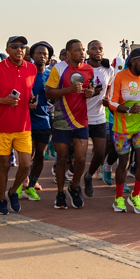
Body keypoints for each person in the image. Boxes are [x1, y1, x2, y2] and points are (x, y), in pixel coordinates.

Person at [0, 36, 37, 215]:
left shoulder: (31, 68)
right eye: (15, 46)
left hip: (23, 125)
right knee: (4, 166)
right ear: (7, 48)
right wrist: (3, 101)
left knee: (25, 165)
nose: (19, 49)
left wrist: (32, 102)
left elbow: (29, 93)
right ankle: (1, 199)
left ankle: (13, 192)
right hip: (2, 125)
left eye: (22, 46)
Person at [45, 39, 97, 210]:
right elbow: (49, 93)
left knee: (81, 159)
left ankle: (74, 187)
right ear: (68, 53)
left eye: (83, 50)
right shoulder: (58, 68)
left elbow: (89, 88)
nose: (82, 52)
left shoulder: (89, 69)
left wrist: (90, 92)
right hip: (62, 120)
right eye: (78, 50)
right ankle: (60, 192)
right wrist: (68, 90)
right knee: (62, 159)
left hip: (81, 120)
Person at [106, 47, 140, 214]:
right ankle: (118, 198)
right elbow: (111, 102)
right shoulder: (120, 77)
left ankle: (135, 196)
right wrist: (127, 109)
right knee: (123, 164)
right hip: (122, 129)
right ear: (133, 61)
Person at [84, 40, 116, 198]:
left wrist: (107, 99)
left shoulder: (108, 69)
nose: (97, 51)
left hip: (99, 117)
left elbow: (110, 88)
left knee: (101, 151)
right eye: (93, 49)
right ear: (87, 52)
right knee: (79, 153)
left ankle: (89, 175)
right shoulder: (81, 68)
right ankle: (73, 182)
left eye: (100, 48)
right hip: (81, 117)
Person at [23, 41, 54, 201]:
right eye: (39, 53)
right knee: (27, 157)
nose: (42, 56)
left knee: (40, 156)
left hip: (44, 121)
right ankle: (22, 181)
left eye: (45, 54)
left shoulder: (50, 75)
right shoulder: (26, 73)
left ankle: (31, 185)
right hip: (25, 120)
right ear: (32, 55)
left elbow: (55, 95)